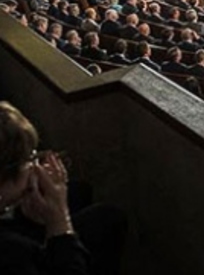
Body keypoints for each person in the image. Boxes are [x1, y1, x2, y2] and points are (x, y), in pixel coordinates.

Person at [0, 102, 127, 275]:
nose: (34, 166)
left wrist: (31, 218)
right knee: (110, 217)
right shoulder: (14, 253)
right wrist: (59, 219)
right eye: (28, 159)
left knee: (79, 191)